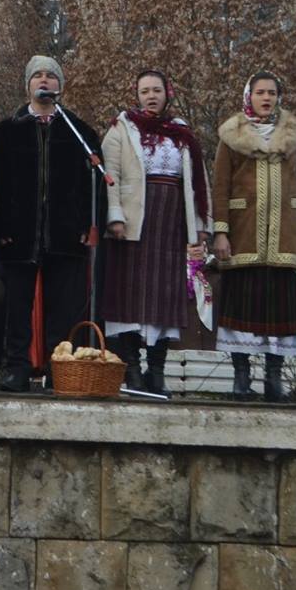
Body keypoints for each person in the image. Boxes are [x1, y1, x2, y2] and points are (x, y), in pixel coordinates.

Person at [0, 55, 103, 393]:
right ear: (27, 85)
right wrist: (0, 227)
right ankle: (16, 368)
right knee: (17, 306)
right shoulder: (7, 131)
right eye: (37, 75)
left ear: (60, 86)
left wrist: (87, 223)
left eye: (51, 76)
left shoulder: (79, 131)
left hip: (65, 234)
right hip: (18, 234)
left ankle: (60, 368)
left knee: (63, 309)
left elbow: (93, 184)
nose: (44, 80)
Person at [211, 72, 296, 402]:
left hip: (286, 236)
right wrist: (221, 232)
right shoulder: (231, 136)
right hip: (244, 234)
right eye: (260, 92)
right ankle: (241, 377)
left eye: (272, 93)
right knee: (241, 312)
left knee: (281, 314)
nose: (266, 98)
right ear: (249, 96)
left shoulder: (294, 135)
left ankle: (274, 379)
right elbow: (220, 187)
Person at [100, 70, 210, 396]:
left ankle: (156, 371)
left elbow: (198, 182)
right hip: (133, 226)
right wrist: (114, 216)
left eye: (156, 90)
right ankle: (132, 370)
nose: (151, 96)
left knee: (165, 297)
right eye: (145, 91)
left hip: (171, 227)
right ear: (137, 95)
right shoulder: (122, 129)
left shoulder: (182, 134)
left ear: (167, 93)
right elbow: (110, 174)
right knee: (130, 298)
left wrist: (200, 226)